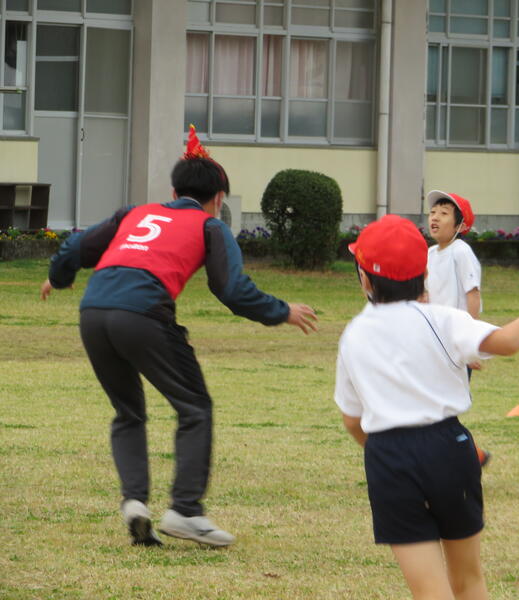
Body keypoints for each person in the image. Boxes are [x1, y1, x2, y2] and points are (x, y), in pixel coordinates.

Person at [40, 127, 317, 547]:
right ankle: (185, 510)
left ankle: (135, 502)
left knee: (128, 412)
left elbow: (76, 247)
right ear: (219, 198)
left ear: (173, 191)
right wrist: (282, 311)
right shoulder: (211, 227)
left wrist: (58, 279)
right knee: (194, 408)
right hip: (143, 314)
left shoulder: (134, 214)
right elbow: (231, 290)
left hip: (93, 312)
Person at [334, 214, 519, 599]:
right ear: (424, 274)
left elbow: (352, 420)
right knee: (468, 580)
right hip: (448, 448)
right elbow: (509, 342)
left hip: (387, 455)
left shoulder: (354, 335)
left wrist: (386, 454)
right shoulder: (443, 319)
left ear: (364, 278)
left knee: (429, 591)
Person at [426, 190, 490, 466]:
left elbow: (472, 295)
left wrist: (469, 343)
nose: (435, 218)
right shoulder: (429, 254)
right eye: (432, 212)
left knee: (442, 410)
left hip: (455, 344)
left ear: (460, 225)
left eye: (444, 213)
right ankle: (465, 456)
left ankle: (470, 456)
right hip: (433, 343)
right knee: (432, 407)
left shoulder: (461, 252)